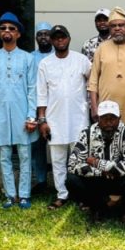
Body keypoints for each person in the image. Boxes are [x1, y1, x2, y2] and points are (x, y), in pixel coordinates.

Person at [0, 12, 38, 209]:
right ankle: (9, 195)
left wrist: (32, 117)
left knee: (24, 156)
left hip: (23, 117)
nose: (7, 31)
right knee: (4, 156)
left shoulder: (28, 58)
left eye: (12, 29)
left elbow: (33, 89)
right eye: (3, 28)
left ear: (18, 34)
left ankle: (24, 195)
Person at [88, 7, 125, 181]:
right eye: (113, 25)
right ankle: (110, 195)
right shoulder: (102, 48)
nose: (117, 29)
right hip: (106, 113)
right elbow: (92, 82)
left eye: (121, 25)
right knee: (106, 152)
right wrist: (94, 108)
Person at [36, 24, 92, 210]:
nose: (60, 40)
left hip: (79, 119)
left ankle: (83, 196)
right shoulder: (45, 64)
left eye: (63, 37)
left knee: (81, 160)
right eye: (56, 37)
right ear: (52, 41)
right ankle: (62, 195)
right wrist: (42, 120)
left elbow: (93, 85)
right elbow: (41, 94)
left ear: (68, 38)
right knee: (58, 161)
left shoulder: (82, 60)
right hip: (55, 120)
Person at [67, 100, 125, 222]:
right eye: (104, 118)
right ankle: (97, 208)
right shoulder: (86, 133)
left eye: (112, 118)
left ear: (119, 118)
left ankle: (124, 210)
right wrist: (101, 172)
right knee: (72, 180)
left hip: (118, 179)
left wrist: (97, 163)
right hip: (96, 180)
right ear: (98, 119)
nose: (109, 122)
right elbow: (72, 165)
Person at [30, 21, 53, 195]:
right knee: (37, 146)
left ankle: (64, 181)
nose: (43, 37)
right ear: (36, 37)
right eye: (40, 34)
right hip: (37, 107)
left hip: (57, 107)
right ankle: (41, 181)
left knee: (59, 145)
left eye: (46, 33)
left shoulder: (60, 54)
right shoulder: (30, 57)